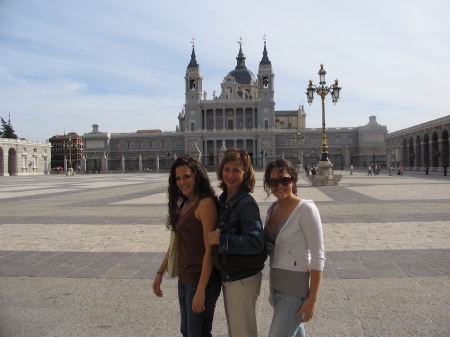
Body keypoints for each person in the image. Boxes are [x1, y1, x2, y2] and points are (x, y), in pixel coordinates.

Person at [153, 157, 221, 337]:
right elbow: (175, 243)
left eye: (187, 176)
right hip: (185, 279)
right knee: (187, 331)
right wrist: (160, 272)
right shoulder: (185, 202)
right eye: (178, 178)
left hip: (200, 280)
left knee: (197, 332)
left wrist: (201, 290)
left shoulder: (205, 203)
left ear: (197, 176)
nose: (182, 182)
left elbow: (210, 250)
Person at [263, 159, 325, 337]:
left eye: (285, 180)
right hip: (276, 286)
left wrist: (312, 299)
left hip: (294, 290)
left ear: (293, 180)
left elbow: (318, 257)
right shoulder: (272, 209)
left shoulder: (306, 209)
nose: (280, 186)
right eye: (274, 182)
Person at [207, 149, 265, 337]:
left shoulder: (245, 202)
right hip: (231, 275)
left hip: (242, 278)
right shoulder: (225, 199)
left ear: (245, 173)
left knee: (242, 332)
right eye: (227, 169)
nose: (230, 175)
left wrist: (221, 240)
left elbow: (256, 241)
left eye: (236, 170)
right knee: (237, 331)